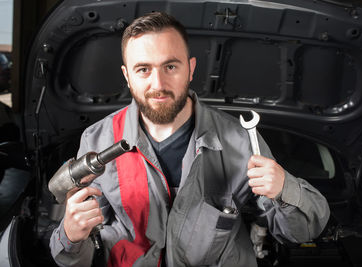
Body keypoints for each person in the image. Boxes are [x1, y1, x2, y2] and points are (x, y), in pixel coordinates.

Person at [50, 11, 330, 267]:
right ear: (127, 75)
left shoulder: (240, 140)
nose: (158, 84)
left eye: (170, 67)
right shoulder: (98, 139)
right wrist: (71, 236)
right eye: (143, 69)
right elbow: (75, 260)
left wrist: (285, 189)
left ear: (191, 68)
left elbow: (300, 233)